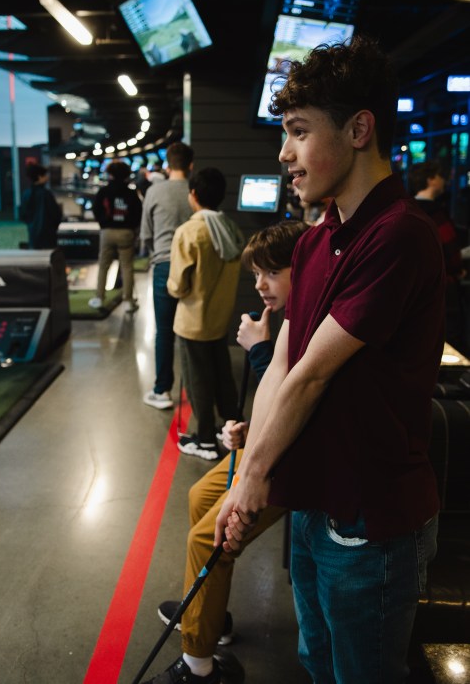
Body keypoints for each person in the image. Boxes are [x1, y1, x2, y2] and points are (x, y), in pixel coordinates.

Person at [214, 35, 446, 684]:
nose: (283, 154)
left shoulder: (398, 235)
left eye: (298, 131)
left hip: (371, 520)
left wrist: (253, 476)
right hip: (316, 504)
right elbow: (283, 362)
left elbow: (314, 374)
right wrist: (245, 475)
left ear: (358, 129)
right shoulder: (315, 243)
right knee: (316, 662)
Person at [146, 219, 311, 684]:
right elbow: (277, 396)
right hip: (268, 444)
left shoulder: (309, 319)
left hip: (293, 460)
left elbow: (297, 397)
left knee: (205, 540)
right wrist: (249, 429)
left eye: (272, 273)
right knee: (200, 496)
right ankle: (210, 615)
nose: (260, 285)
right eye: (256, 274)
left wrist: (257, 350)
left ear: (303, 269)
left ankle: (198, 666)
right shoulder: (287, 317)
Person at [167, 167, 245, 461]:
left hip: (192, 321)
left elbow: (178, 285)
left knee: (197, 379)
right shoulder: (231, 228)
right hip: (219, 318)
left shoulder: (189, 231)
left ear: (194, 194)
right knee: (222, 375)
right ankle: (233, 428)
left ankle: (204, 440)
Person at [140, 142, 194, 409]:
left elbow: (146, 234)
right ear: (191, 165)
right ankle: (196, 391)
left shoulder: (154, 191)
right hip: (194, 266)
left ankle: (162, 391)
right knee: (193, 330)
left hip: (163, 264)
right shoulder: (195, 191)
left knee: (164, 331)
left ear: (168, 165)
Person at [408, 159, 467, 350]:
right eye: (441, 176)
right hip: (442, 288)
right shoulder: (436, 214)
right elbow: (451, 253)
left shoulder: (406, 210)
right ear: (431, 179)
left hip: (412, 290)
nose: (445, 181)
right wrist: (458, 270)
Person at [89, 160, 142, 313]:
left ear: (110, 174)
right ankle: (128, 301)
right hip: (126, 232)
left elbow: (96, 209)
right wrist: (132, 229)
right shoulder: (131, 193)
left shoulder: (103, 191)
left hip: (107, 231)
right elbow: (138, 213)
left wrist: (103, 224)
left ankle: (99, 298)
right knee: (127, 267)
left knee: (103, 266)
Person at [19, 163, 63, 249]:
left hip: (33, 236)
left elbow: (23, 215)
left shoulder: (26, 194)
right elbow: (56, 214)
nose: (47, 177)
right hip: (48, 236)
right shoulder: (46, 194)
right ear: (39, 177)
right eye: (45, 175)